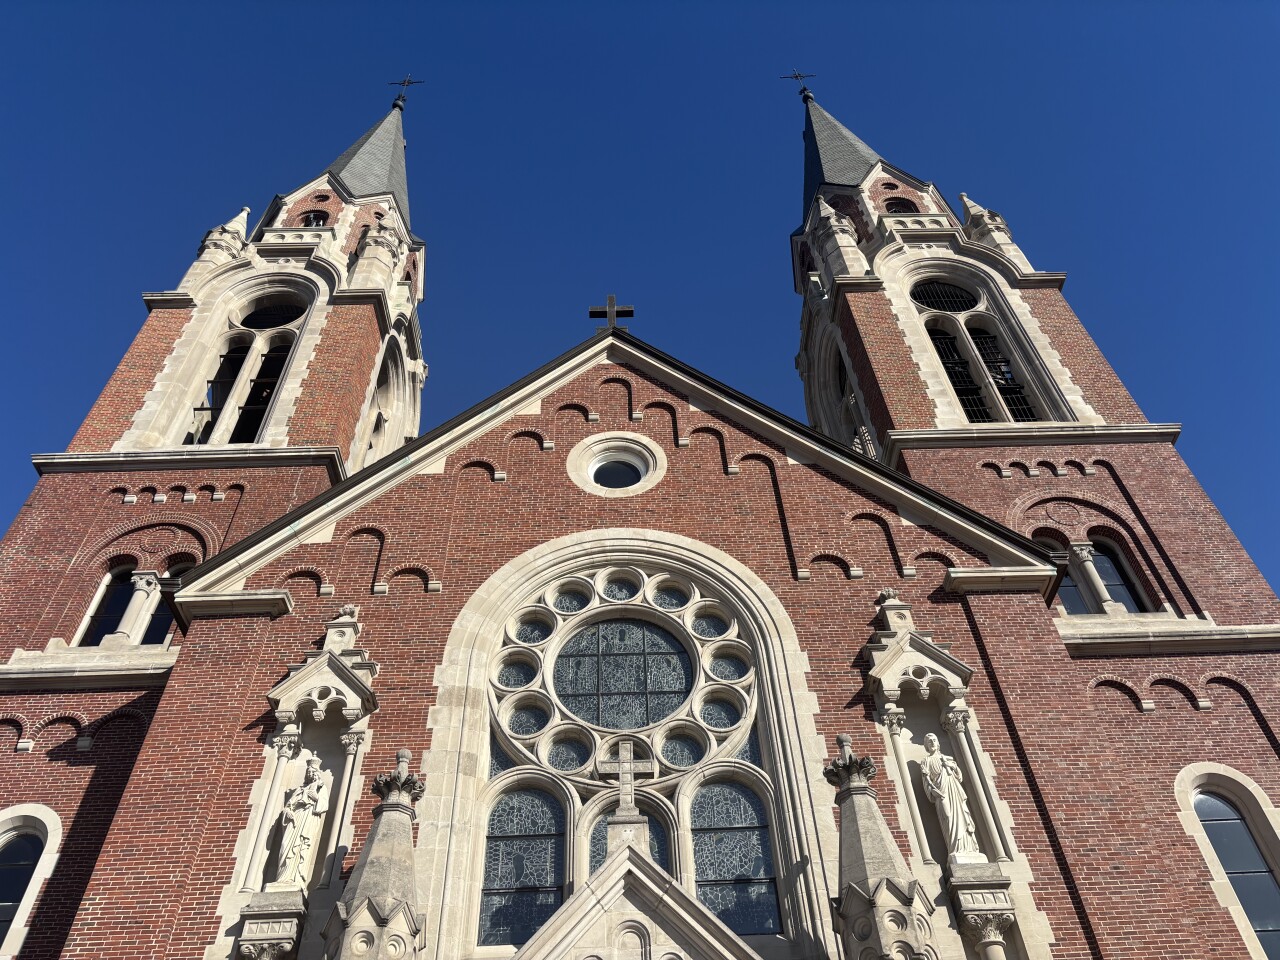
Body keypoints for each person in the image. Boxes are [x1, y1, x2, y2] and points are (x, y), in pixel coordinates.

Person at [920, 733, 981, 860]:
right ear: (926, 746)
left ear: (938, 743)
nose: (932, 743)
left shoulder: (947, 758)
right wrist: (932, 790)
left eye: (934, 740)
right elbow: (927, 781)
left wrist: (953, 766)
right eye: (929, 741)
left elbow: (959, 777)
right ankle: (954, 849)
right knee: (948, 817)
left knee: (962, 815)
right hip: (941, 793)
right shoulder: (926, 761)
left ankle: (968, 848)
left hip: (954, 790)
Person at [275, 756, 329, 887]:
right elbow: (289, 806)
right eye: (308, 772)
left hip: (308, 818)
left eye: (312, 772)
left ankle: (296, 878)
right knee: (286, 846)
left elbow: (323, 806)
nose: (310, 774)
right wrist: (287, 812)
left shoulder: (321, 788)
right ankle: (282, 877)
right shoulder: (299, 790)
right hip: (295, 819)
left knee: (301, 846)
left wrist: (316, 798)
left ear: (317, 774)